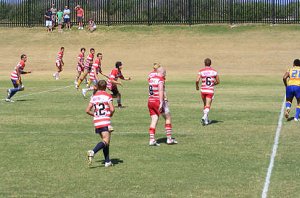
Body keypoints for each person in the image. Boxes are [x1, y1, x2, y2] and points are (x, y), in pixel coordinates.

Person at [86, 80, 115, 167]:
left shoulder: (93, 97)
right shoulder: (107, 96)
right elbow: (112, 109)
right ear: (105, 87)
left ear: (98, 87)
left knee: (105, 141)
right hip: (105, 120)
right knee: (106, 140)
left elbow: (87, 110)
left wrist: (95, 114)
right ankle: (93, 152)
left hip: (97, 122)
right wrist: (110, 115)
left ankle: (107, 161)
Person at [147, 65, 177, 146]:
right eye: (165, 73)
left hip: (150, 101)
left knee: (154, 119)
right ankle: (169, 139)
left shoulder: (151, 79)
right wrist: (161, 102)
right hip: (157, 101)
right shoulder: (160, 80)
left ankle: (152, 140)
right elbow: (160, 90)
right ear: (162, 73)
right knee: (168, 117)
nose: (165, 75)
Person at [195, 58, 220, 125]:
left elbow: (197, 80)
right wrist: (213, 83)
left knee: (205, 105)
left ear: (204, 63)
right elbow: (218, 81)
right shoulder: (214, 71)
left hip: (203, 90)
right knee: (208, 105)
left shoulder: (201, 71)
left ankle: (206, 121)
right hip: (210, 90)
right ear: (210, 63)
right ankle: (204, 117)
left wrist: (197, 86)